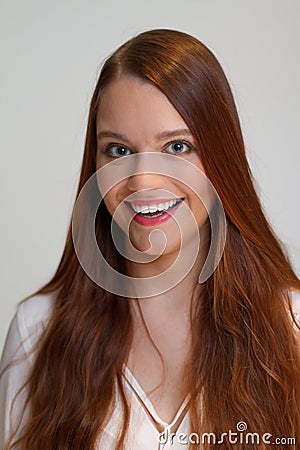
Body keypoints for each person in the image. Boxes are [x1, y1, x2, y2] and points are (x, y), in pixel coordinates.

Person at [0, 29, 300, 450]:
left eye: (177, 147)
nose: (142, 180)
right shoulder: (38, 330)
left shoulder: (292, 326)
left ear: (223, 158)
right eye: (118, 151)